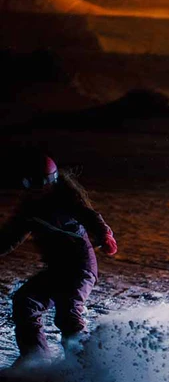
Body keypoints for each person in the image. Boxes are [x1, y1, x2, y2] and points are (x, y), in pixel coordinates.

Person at [0, 155, 117, 367]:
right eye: (28, 183)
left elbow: (91, 217)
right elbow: (9, 238)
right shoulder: (29, 209)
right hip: (57, 270)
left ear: (49, 182)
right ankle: (34, 358)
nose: (32, 189)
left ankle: (84, 365)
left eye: (36, 184)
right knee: (25, 301)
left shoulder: (66, 201)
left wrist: (105, 235)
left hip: (80, 267)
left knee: (67, 312)